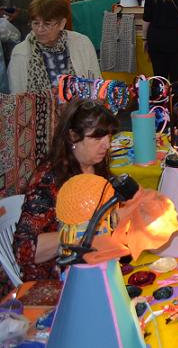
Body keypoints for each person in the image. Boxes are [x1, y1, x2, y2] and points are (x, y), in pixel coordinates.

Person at [13, 99, 119, 282]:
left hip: (95, 267)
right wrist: (79, 233)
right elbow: (24, 250)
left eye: (109, 136)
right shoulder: (49, 180)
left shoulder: (96, 166)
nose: (107, 145)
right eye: (97, 138)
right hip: (58, 279)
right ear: (72, 136)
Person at [9, 0, 100, 94]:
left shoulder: (82, 43)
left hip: (80, 107)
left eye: (47, 24)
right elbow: (17, 96)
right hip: (38, 108)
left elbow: (96, 84)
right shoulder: (20, 53)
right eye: (35, 23)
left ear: (62, 23)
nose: (40, 29)